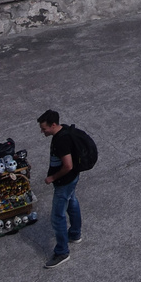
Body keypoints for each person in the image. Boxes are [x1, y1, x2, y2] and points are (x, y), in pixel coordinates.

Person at [38, 110, 90, 268]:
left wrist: (52, 178)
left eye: (44, 128)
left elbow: (68, 165)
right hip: (72, 179)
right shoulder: (64, 130)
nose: (42, 131)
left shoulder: (61, 141)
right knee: (72, 202)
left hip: (64, 182)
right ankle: (75, 234)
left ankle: (62, 251)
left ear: (53, 125)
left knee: (57, 216)